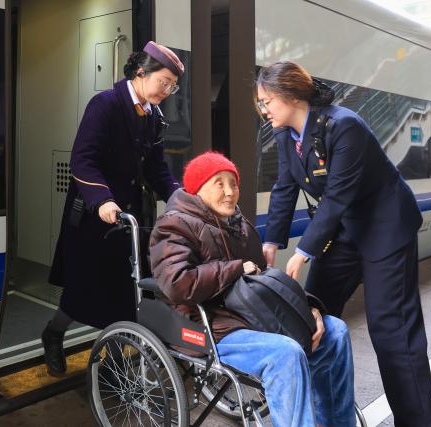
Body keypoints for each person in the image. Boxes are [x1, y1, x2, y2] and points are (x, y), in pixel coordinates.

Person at [257, 61, 431, 426]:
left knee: (393, 335)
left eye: (267, 102)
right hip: (341, 235)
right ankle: (328, 415)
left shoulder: (345, 126)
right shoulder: (285, 135)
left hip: (384, 231)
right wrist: (271, 244)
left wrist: (303, 253)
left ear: (291, 95)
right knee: (311, 321)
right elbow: (284, 188)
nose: (263, 110)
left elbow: (338, 195)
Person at [149, 152, 355, 427]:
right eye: (219, 183)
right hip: (207, 324)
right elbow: (176, 283)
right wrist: (235, 268)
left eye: (233, 184)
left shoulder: (240, 224)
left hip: (249, 314)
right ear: (197, 188)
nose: (230, 192)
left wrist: (309, 308)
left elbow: (264, 278)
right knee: (286, 353)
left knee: (335, 331)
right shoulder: (174, 224)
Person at [43, 41, 184, 377]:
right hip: (95, 214)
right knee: (82, 292)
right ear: (141, 73)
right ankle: (53, 333)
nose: (168, 90)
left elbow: (156, 169)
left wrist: (179, 197)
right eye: (164, 82)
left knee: (124, 293)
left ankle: (115, 361)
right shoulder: (104, 104)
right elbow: (83, 159)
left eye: (173, 85)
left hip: (129, 218)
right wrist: (103, 199)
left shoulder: (153, 117)